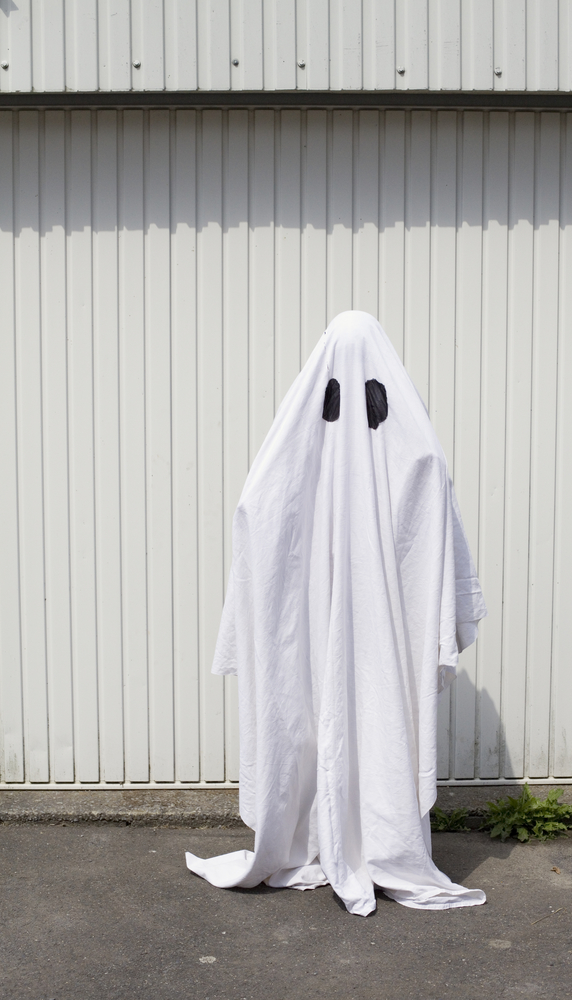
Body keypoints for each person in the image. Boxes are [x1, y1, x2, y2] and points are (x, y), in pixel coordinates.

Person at [186, 311, 487, 915]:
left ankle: (324, 840)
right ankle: (377, 841)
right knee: (361, 714)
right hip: (372, 629)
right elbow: (261, 509)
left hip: (366, 625)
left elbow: (258, 508)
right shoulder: (412, 443)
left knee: (344, 711)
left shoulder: (308, 439)